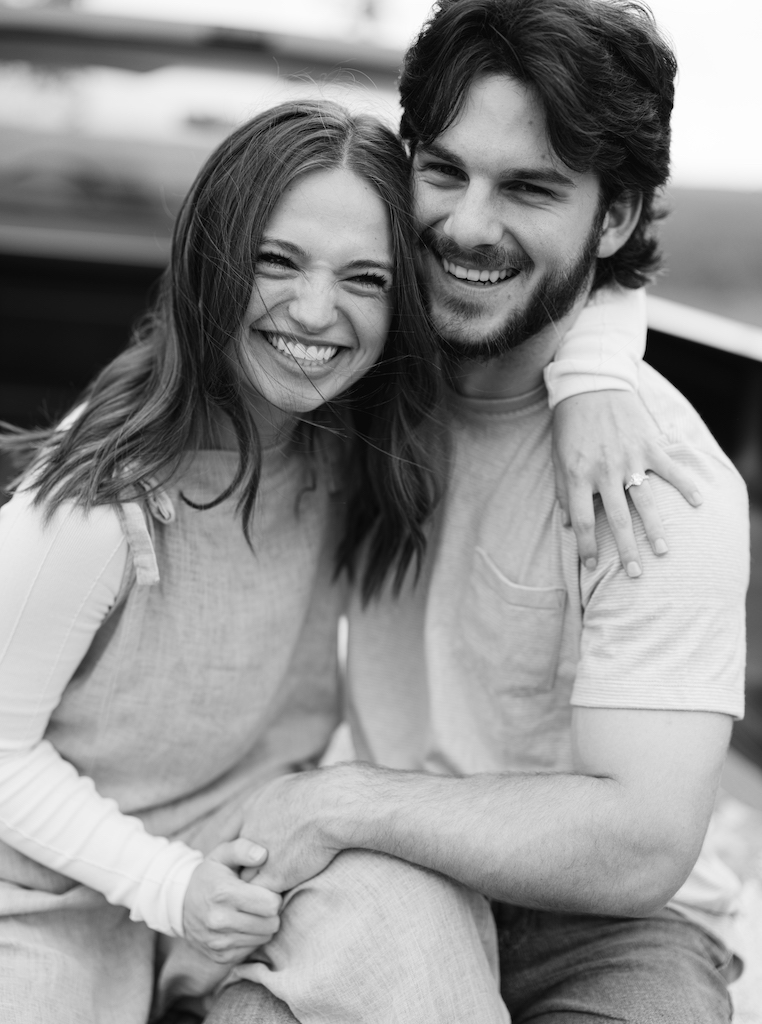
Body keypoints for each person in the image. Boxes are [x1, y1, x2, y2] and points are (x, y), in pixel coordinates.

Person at [0, 96, 693, 1023]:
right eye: (275, 261)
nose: (316, 312)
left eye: (366, 278)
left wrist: (596, 375)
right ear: (209, 259)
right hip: (58, 887)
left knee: (411, 909)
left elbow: (561, 269)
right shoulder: (92, 506)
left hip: (251, 850)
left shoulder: (349, 424)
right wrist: (166, 886)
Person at [215, 2, 750, 1023]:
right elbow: (201, 359)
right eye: (446, 170)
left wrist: (342, 801)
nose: (466, 224)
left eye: (530, 187)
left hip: (606, 925)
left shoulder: (659, 480)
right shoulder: (354, 367)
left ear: (617, 215)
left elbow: (640, 841)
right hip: (387, 865)